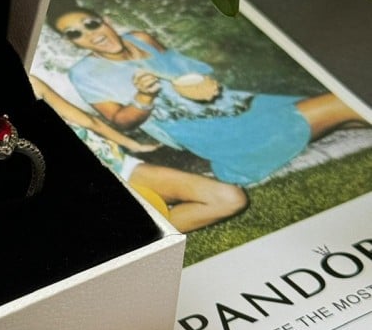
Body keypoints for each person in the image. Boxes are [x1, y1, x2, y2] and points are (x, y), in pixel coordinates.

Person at [46, 0, 365, 189]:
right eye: (75, 34)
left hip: (243, 106)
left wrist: (204, 82)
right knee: (345, 104)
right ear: (70, 42)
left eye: (90, 24)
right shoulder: (84, 74)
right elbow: (121, 121)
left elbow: (193, 73)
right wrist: (144, 98)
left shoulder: (142, 38)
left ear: (104, 19)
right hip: (217, 133)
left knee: (353, 116)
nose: (90, 35)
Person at [30, 73, 247, 232]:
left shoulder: (30, 81)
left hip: (119, 166)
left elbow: (89, 122)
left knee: (230, 198)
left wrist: (134, 146)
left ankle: (135, 233)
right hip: (77, 191)